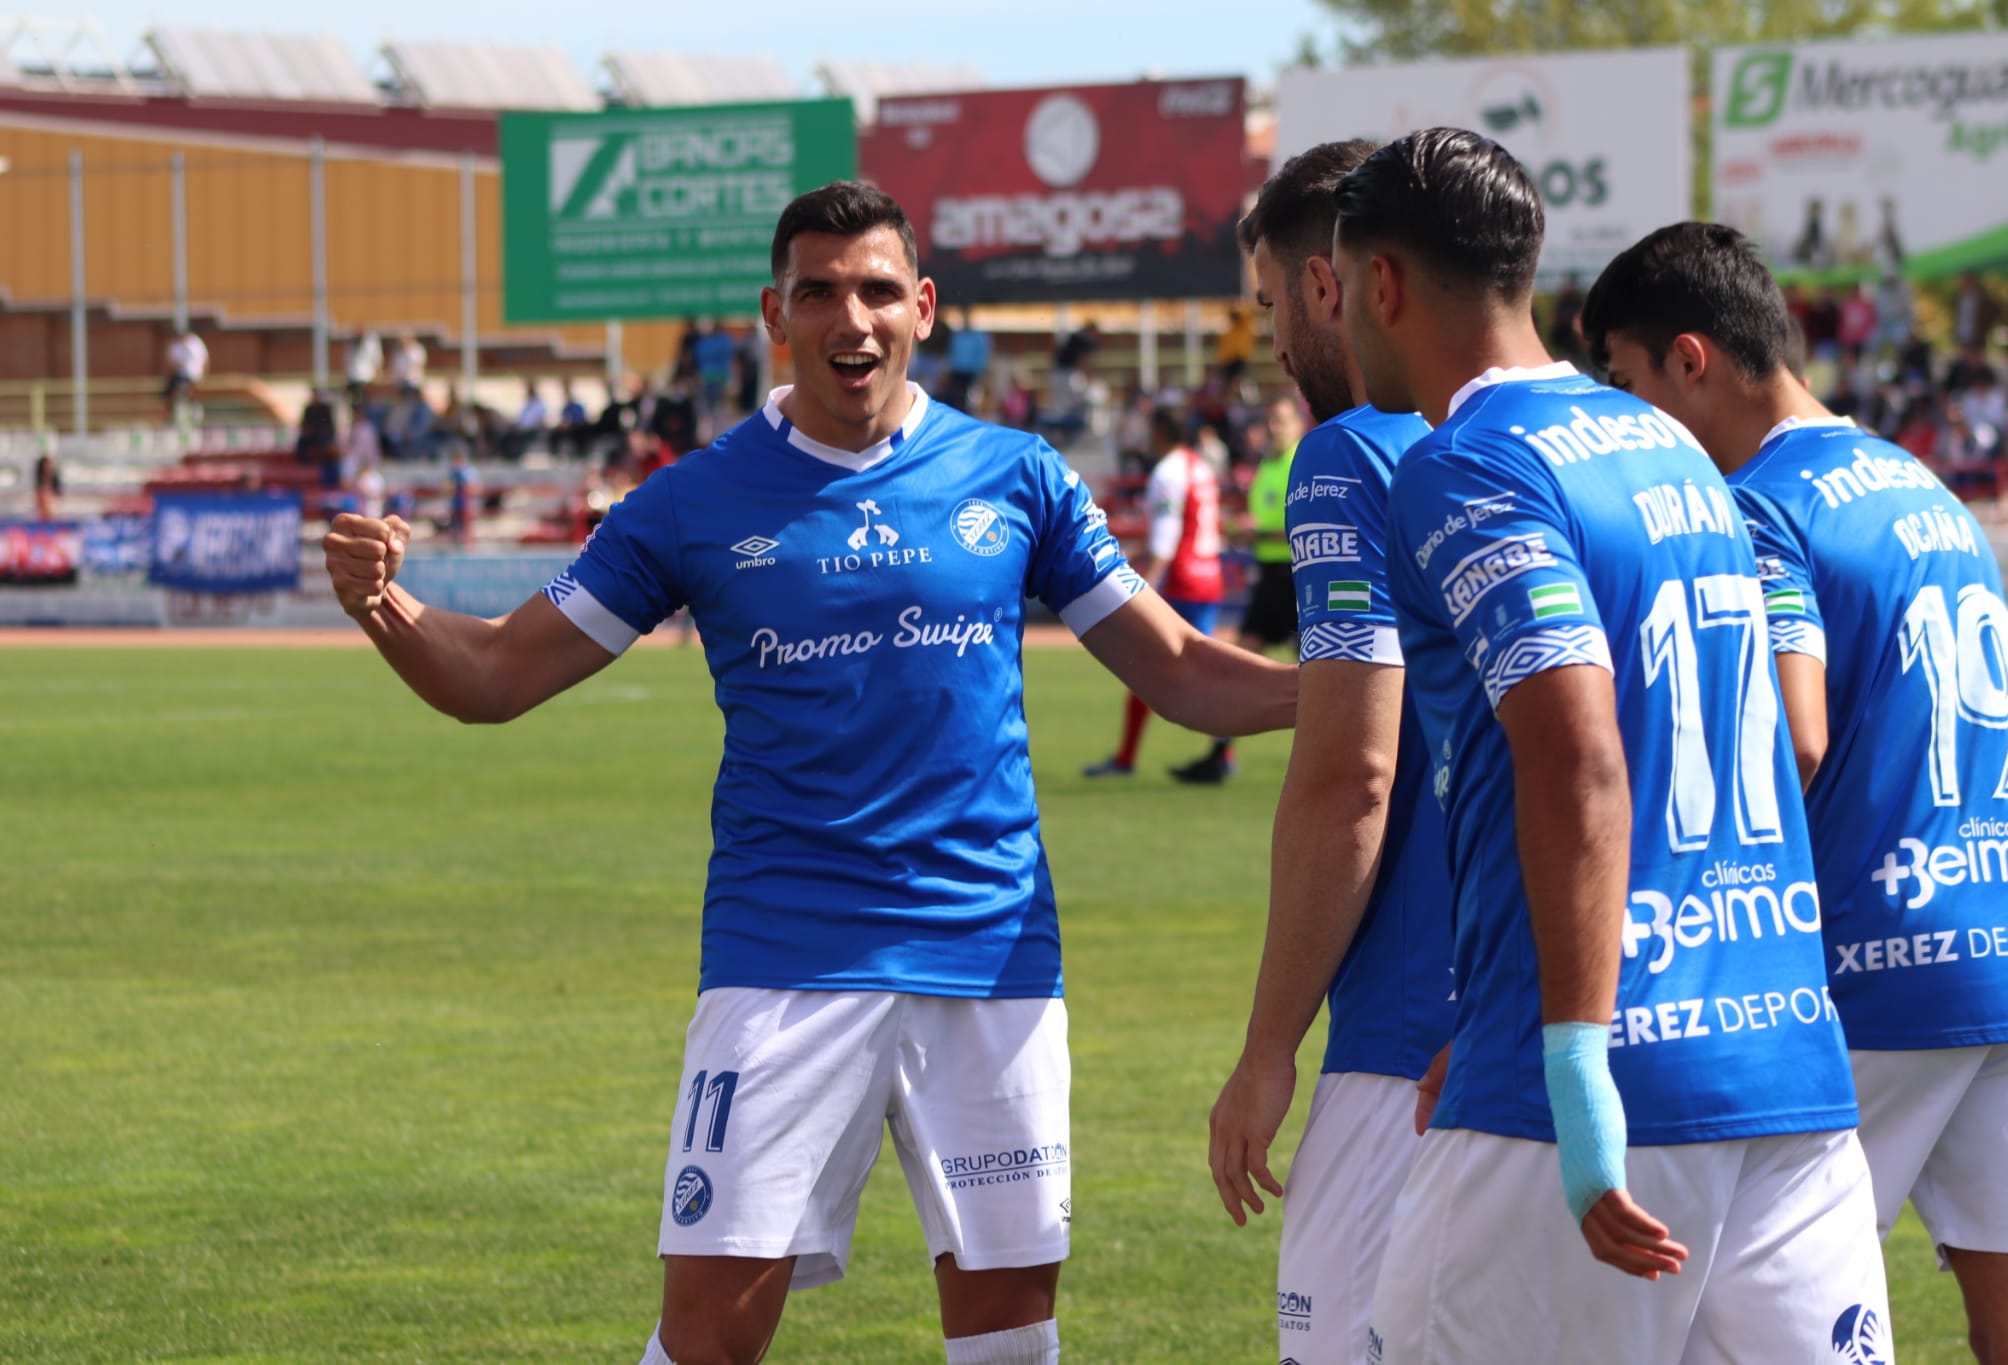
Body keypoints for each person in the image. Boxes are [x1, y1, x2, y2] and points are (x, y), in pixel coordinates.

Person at [320, 180, 1296, 1365]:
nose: (855, 318)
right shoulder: (690, 501)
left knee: (1010, 1340)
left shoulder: (1017, 475)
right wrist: (382, 604)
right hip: (784, 962)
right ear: (774, 315)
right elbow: (493, 676)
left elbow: (1183, 671)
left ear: (923, 307)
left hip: (990, 956)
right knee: (707, 1340)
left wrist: (1357, 685)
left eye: (879, 289)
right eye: (820, 291)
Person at [1333, 129, 1886, 1363]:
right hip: (1783, 1059)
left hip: (1589, 1088)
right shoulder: (1675, 448)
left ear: (1381, 285)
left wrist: (1574, 1071)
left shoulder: (1464, 465)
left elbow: (1577, 755)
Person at [1582, 221, 2008, 1365]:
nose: (1628, 419)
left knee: (1723, 1318)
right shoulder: (1921, 486)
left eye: (1629, 383)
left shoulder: (1756, 503)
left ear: (1689, 360)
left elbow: (1787, 734)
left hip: (1875, 967)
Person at [1203, 137, 1453, 1365]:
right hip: (1587, 1027)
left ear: (1326, 282)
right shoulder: (1603, 438)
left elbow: (1353, 777)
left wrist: (1264, 1053)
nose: (1274, 342)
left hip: (1407, 1035)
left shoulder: (1351, 454)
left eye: (1266, 306)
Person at [1084, 406, 1234, 782]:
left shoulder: (1167, 473)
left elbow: (1165, 542)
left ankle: (1128, 759)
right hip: (1207, 577)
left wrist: (1143, 586)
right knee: (1190, 668)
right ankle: (1219, 751)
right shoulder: (1198, 466)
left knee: (1147, 669)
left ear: (1162, 433)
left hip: (1181, 581)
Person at [1236, 394, 1302, 653]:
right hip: (1269, 572)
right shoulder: (1266, 465)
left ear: (1298, 424)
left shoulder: (1303, 462)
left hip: (1296, 572)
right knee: (1244, 656)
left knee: (1310, 662)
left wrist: (1259, 533)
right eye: (1270, 421)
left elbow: (1307, 526)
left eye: (1281, 421)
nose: (1275, 428)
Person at [162, 328, 208, 419]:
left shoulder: (195, 343)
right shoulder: (175, 345)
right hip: (180, 376)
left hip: (193, 375)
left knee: (184, 390)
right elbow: (171, 363)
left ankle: (192, 411)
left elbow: (205, 360)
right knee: (172, 391)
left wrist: (203, 375)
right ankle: (171, 413)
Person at [347, 332, 384, 405]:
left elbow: (378, 360)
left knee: (364, 402)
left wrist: (378, 375)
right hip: (354, 379)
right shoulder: (352, 342)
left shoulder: (371, 342)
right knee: (355, 402)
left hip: (366, 379)